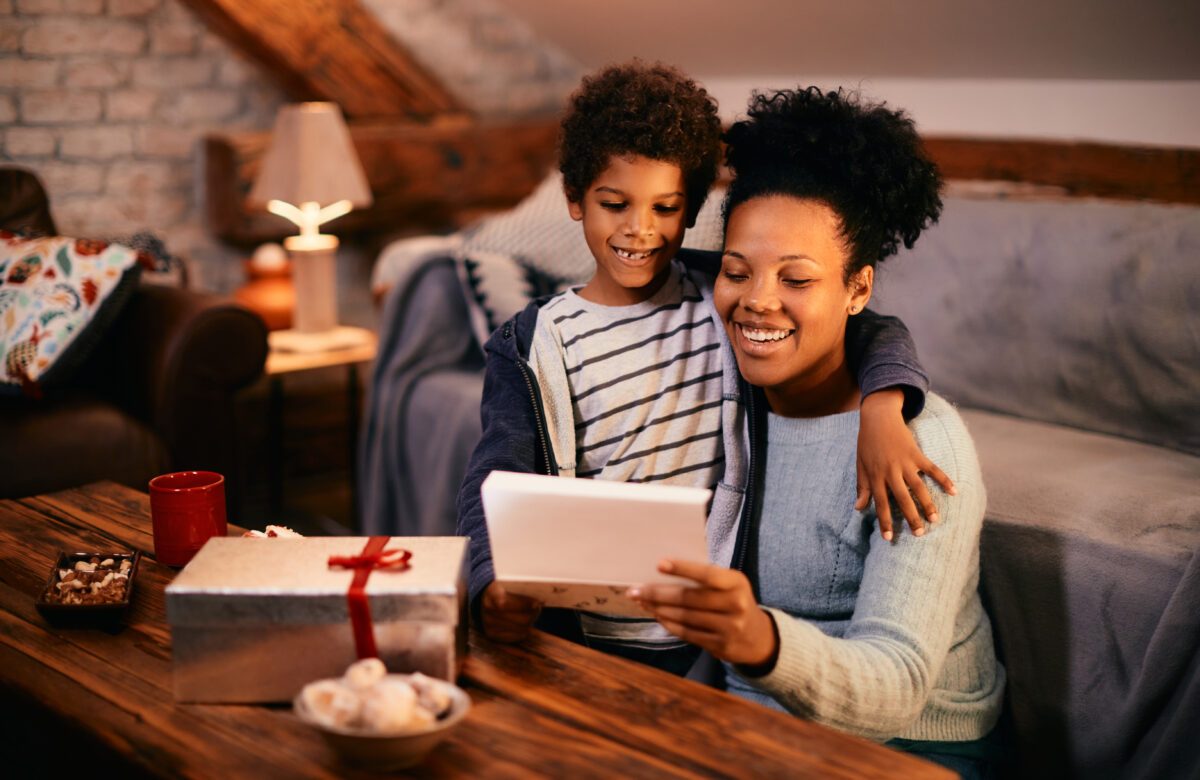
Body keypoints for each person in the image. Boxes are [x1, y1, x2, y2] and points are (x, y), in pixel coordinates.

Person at [456, 62, 953, 676]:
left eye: (665, 207)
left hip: (702, 639)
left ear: (691, 212)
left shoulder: (719, 294)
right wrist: (489, 584)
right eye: (615, 203)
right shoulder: (531, 345)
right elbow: (492, 478)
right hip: (583, 628)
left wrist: (885, 405)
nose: (639, 229)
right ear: (574, 199)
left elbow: (869, 326)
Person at [629, 86, 1006, 777]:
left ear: (857, 290)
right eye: (737, 272)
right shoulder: (725, 398)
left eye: (797, 279)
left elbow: (896, 685)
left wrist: (761, 641)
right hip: (752, 727)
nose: (758, 301)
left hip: (910, 746)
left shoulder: (924, 445)